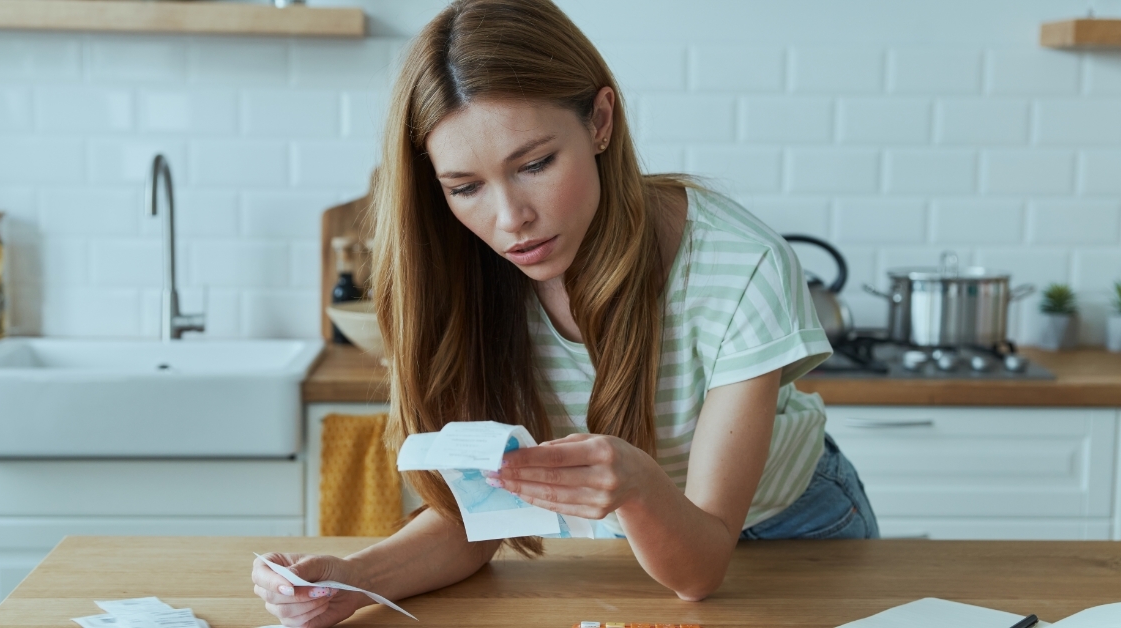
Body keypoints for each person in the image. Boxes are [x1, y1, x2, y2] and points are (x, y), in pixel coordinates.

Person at [252, 0, 878, 625]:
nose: (509, 219)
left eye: (534, 165)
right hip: (625, 552)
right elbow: (478, 521)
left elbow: (700, 567)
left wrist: (634, 482)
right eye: (465, 187)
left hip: (795, 534)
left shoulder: (740, 264)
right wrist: (354, 578)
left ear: (600, 121)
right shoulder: (459, 277)